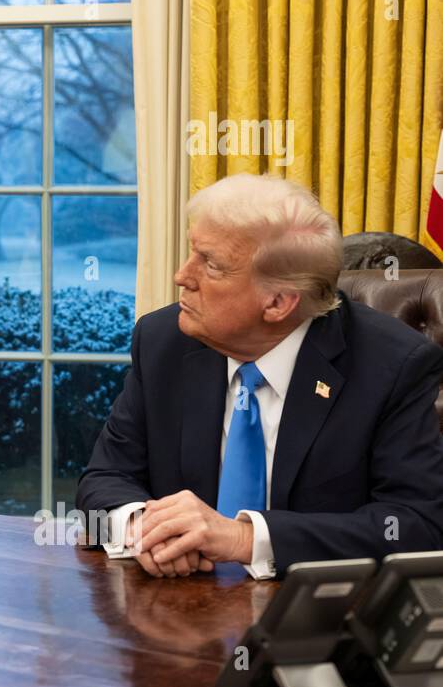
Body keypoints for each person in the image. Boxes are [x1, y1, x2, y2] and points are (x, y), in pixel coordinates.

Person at [77, 173, 443, 579]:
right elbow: (105, 477)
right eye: (191, 252)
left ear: (278, 302)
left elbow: (415, 527)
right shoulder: (163, 341)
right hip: (179, 614)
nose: (182, 276)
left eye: (210, 264)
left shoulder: (393, 365)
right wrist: (144, 526)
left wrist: (244, 539)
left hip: (312, 622)